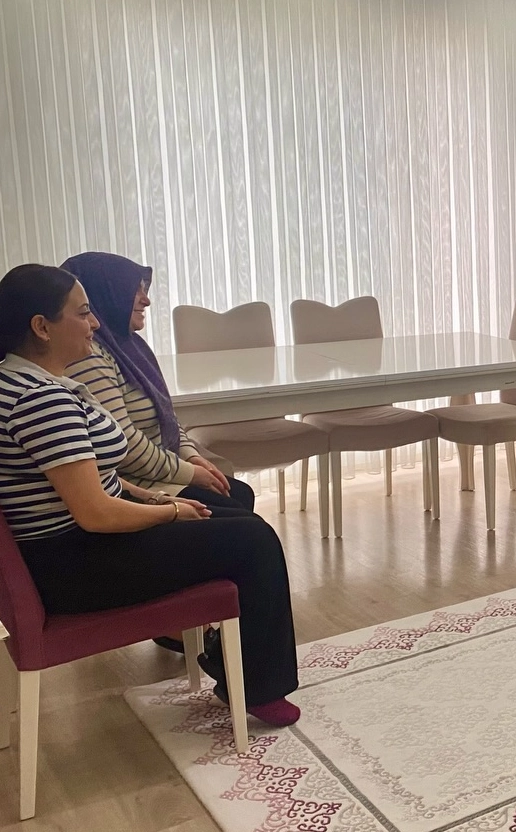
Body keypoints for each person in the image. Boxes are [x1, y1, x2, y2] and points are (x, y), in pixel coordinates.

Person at [0, 264, 300, 726]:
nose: (94, 323)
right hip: (75, 563)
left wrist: (153, 499)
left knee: (239, 520)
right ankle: (258, 688)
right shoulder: (41, 400)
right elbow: (96, 513)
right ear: (42, 327)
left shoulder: (25, 382)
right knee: (254, 542)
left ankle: (235, 665)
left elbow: (92, 477)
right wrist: (172, 511)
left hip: (66, 550)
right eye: (82, 313)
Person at [60, 252, 255, 513]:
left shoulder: (130, 346)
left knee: (241, 495)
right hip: (137, 487)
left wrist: (191, 455)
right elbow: (126, 445)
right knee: (245, 520)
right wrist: (189, 473)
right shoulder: (89, 356)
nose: (147, 300)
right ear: (107, 294)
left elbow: (166, 417)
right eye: (135, 291)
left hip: (161, 473)